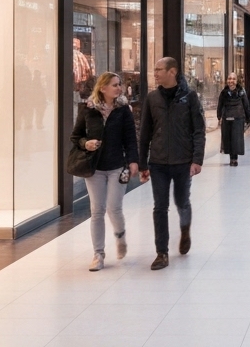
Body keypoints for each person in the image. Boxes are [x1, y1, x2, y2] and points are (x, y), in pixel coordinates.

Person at [139, 57, 206, 271]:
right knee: (160, 207)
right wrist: (143, 163)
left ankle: (185, 231)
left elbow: (198, 130)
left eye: (159, 69)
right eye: (155, 69)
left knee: (182, 202)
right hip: (158, 162)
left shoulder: (189, 97)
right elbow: (145, 133)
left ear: (172, 72)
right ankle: (162, 252)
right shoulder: (152, 98)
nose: (155, 73)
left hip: (182, 161)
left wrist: (197, 160)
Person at [71, 71, 139, 271]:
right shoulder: (88, 109)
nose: (119, 88)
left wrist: (134, 161)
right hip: (94, 167)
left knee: (114, 208)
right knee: (97, 210)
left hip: (117, 165)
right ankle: (98, 254)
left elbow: (130, 138)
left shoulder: (123, 110)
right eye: (115, 85)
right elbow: (76, 136)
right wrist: (86, 143)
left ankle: (120, 236)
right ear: (103, 88)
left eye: (119, 84)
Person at [217, 72, 250, 166]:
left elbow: (246, 104)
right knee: (228, 138)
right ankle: (231, 157)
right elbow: (220, 104)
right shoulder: (224, 92)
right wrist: (219, 116)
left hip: (238, 117)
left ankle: (234, 158)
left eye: (233, 79)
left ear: (236, 81)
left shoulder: (241, 91)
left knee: (236, 138)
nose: (231, 81)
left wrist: (249, 117)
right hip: (227, 117)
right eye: (229, 79)